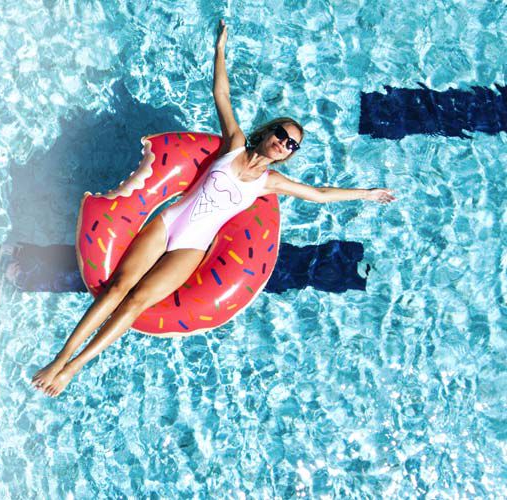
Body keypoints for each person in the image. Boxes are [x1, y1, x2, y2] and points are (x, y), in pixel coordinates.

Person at [31, 20, 396, 397]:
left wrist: (368, 193)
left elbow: (319, 193)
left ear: (289, 156)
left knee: (136, 302)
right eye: (282, 135)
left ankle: (73, 368)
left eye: (292, 146)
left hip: (192, 247)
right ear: (268, 132)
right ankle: (59, 358)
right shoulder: (234, 144)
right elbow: (221, 93)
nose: (284, 144)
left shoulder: (269, 183)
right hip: (168, 223)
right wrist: (220, 49)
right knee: (117, 288)